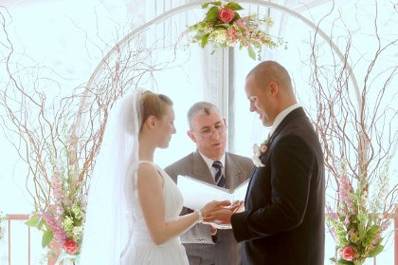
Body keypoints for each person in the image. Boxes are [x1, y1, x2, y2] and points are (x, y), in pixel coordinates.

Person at [79, 91, 230, 265]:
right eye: (170, 122)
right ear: (152, 122)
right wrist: (200, 214)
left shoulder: (145, 167)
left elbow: (161, 224)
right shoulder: (145, 170)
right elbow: (159, 234)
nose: (174, 130)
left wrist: (203, 214)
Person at [206, 61, 325, 265]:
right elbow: (285, 196)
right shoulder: (293, 129)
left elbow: (287, 212)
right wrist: (248, 205)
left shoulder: (291, 139)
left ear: (272, 89)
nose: (251, 108)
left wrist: (234, 221)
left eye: (253, 99)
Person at [165, 102, 253, 265]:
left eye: (218, 126)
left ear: (225, 124)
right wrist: (209, 226)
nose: (215, 135)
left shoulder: (248, 166)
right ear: (192, 136)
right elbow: (167, 228)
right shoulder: (173, 173)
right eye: (206, 130)